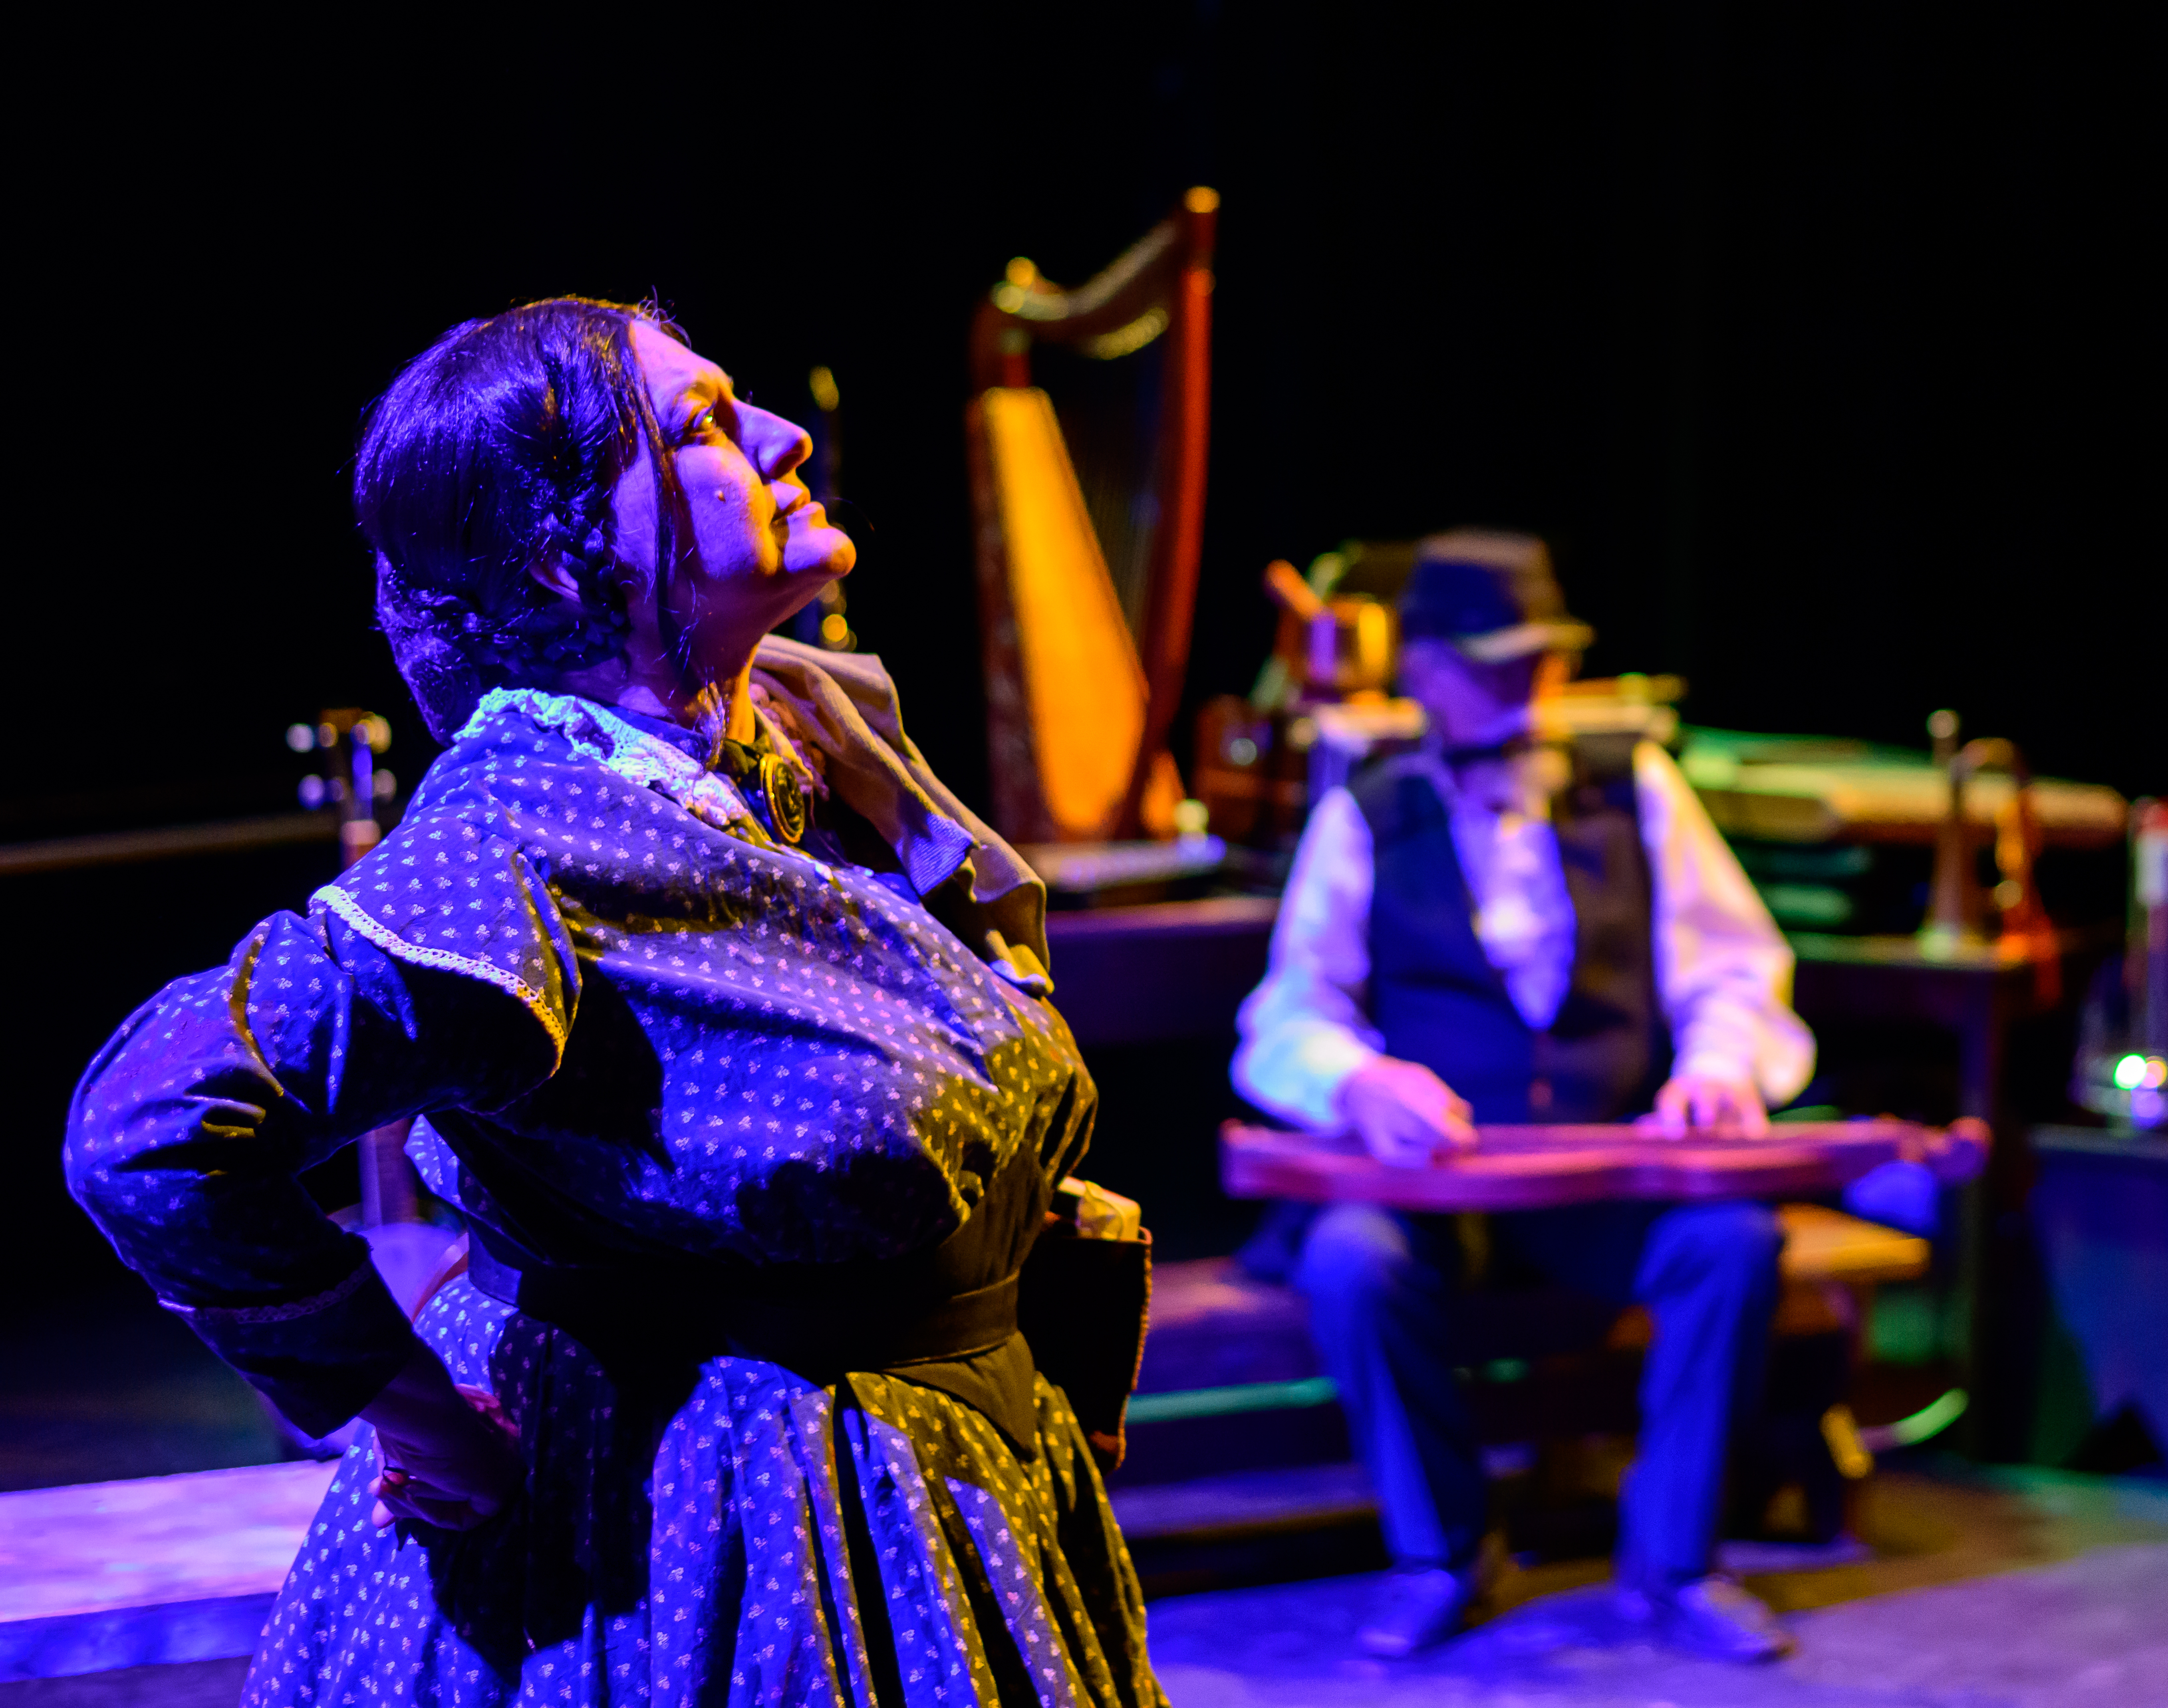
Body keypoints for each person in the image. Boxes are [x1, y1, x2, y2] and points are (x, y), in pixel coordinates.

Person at [65, 298, 1166, 1708]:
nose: (782, 435)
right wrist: (399, 1408)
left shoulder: (804, 735)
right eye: (703, 424)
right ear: (564, 553)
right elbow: (150, 1127)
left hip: (945, 1481)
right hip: (713, 1532)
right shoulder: (520, 837)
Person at [1233, 530, 1816, 1662]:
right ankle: (1441, 1551)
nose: (1524, 692)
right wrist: (1359, 1080)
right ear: (1427, 673)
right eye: (1494, 666)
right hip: (1436, 1186)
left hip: (1602, 1172)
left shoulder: (1633, 787)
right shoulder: (1369, 805)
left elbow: (1735, 968)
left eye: (1538, 663)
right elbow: (1287, 1015)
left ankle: (1674, 1560)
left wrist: (1716, 1068)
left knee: (1730, 1241)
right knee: (1351, 1260)